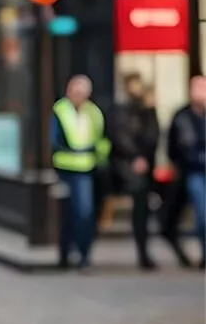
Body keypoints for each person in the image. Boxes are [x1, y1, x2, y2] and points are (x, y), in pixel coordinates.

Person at [52, 75, 110, 270]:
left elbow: (101, 139)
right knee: (68, 215)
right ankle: (65, 253)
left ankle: (84, 254)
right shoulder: (60, 110)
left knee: (84, 213)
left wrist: (98, 156)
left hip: (87, 169)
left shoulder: (94, 113)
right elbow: (54, 140)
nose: (77, 96)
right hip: (64, 169)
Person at [109, 72, 160, 269]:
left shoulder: (146, 110)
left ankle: (144, 252)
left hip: (144, 166)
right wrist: (135, 157)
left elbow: (153, 136)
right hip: (124, 166)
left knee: (142, 210)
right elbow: (119, 136)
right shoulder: (120, 110)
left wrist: (150, 111)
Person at [165, 75, 206, 269]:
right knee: (202, 214)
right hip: (193, 171)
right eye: (196, 88)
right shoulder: (182, 116)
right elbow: (172, 146)